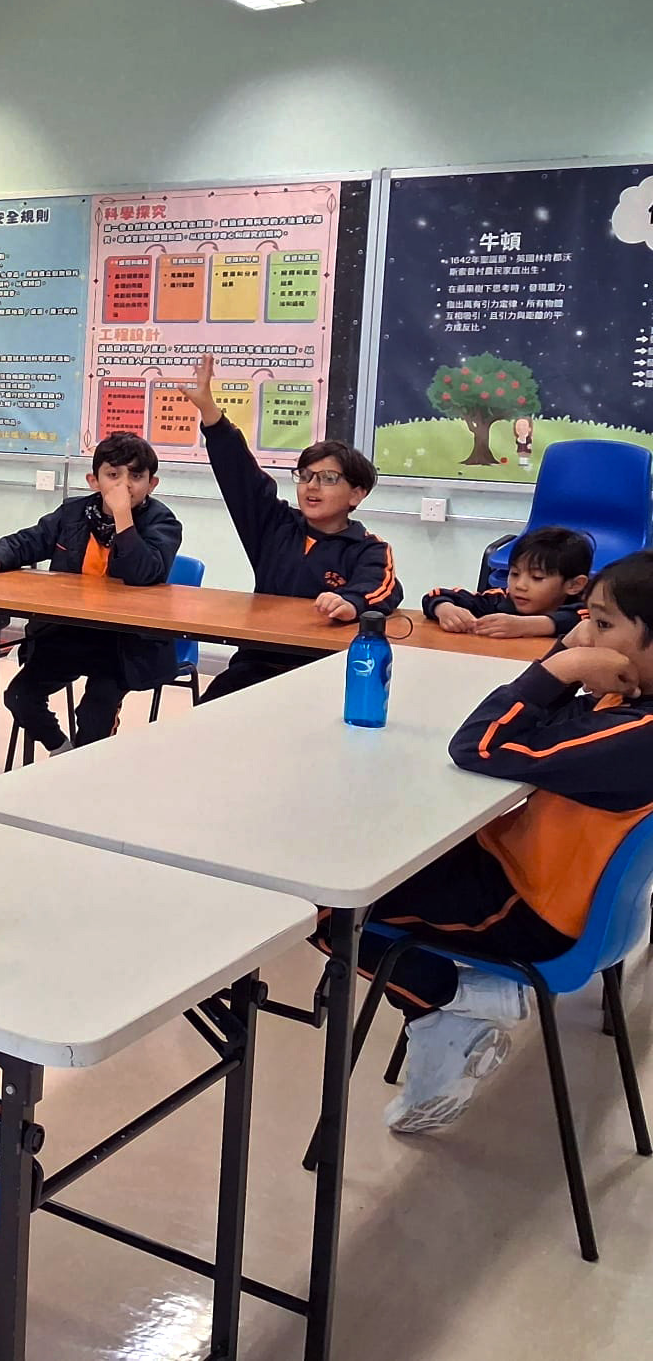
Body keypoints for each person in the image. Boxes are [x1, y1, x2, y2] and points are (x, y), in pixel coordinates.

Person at [314, 551, 653, 1133]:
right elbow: (536, 726)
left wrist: (565, 666)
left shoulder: (634, 735)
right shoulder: (628, 706)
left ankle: (450, 1003)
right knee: (372, 850)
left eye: (601, 623)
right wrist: (567, 658)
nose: (584, 633)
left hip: (530, 910)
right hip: (533, 875)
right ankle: (462, 1008)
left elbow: (477, 746)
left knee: (324, 905)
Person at [180, 354, 400, 700]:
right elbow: (240, 474)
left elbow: (383, 589)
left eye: (328, 479)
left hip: (323, 670)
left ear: (357, 493)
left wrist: (351, 602)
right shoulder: (275, 526)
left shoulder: (369, 548)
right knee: (207, 712)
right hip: (257, 661)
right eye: (305, 476)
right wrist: (209, 410)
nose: (312, 487)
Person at [0, 432, 183, 751]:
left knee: (94, 715)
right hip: (68, 632)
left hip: (123, 643)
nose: (124, 486)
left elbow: (143, 572)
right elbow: (27, 541)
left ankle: (85, 768)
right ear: (94, 481)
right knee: (20, 696)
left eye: (135, 477)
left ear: (152, 484)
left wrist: (123, 516)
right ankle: (62, 752)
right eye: (113, 475)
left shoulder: (163, 523)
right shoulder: (73, 513)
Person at [423, 525, 592, 640]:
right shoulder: (501, 600)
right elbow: (436, 595)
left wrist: (527, 626)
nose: (520, 585)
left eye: (537, 578)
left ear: (574, 585)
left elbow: (586, 621)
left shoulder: (591, 610)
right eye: (515, 574)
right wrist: (444, 608)